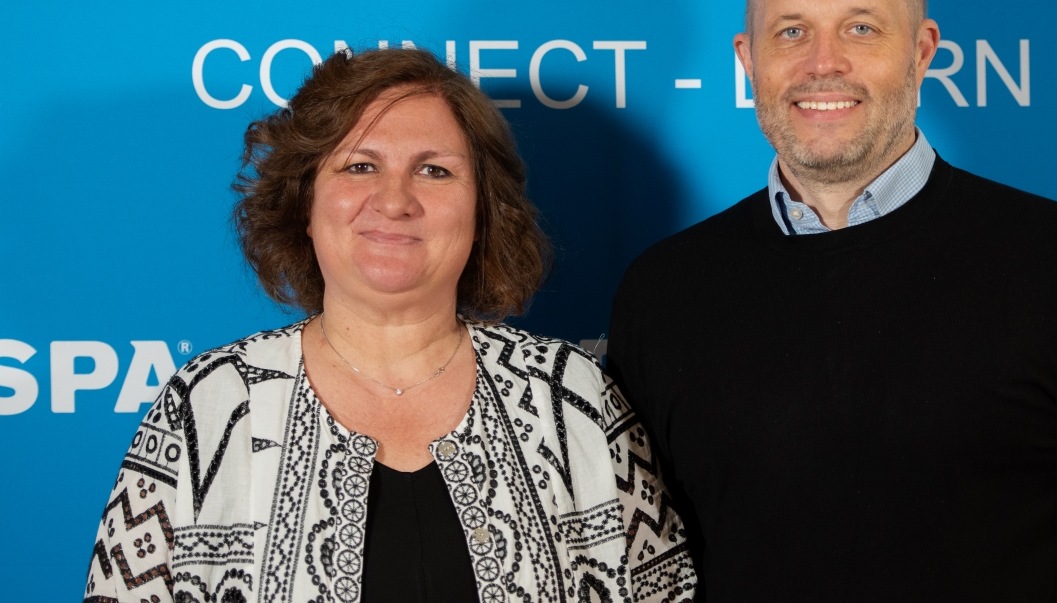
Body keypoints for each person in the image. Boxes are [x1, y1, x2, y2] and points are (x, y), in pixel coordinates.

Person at [608, 0, 1057, 601]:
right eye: (791, 31)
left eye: (861, 27)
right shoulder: (664, 293)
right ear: (748, 59)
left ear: (920, 51)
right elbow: (649, 572)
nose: (823, 64)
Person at [83, 48, 696, 603]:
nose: (395, 200)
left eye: (435, 171)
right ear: (305, 202)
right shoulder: (210, 404)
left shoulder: (571, 396)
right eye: (359, 166)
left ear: (483, 210)